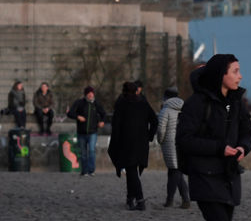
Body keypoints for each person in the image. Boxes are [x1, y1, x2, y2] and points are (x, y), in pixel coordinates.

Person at [175, 54, 251, 221]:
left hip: (229, 176)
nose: (240, 76)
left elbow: (247, 131)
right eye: (235, 71)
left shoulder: (236, 102)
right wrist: (219, 148)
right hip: (204, 176)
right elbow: (184, 140)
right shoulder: (196, 103)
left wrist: (243, 147)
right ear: (221, 74)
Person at [108, 82, 158, 210]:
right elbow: (154, 120)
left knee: (131, 171)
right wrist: (149, 136)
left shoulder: (121, 104)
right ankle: (130, 198)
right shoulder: (143, 103)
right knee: (132, 170)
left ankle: (140, 200)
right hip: (141, 143)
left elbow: (116, 126)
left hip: (127, 143)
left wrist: (115, 143)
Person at [157, 87, 190, 209]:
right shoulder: (185, 108)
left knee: (174, 171)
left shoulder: (165, 110)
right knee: (177, 171)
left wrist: (160, 140)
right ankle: (184, 199)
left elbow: (161, 129)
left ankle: (171, 200)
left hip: (170, 143)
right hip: (183, 142)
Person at [67, 86, 107, 176]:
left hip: (93, 132)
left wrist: (102, 121)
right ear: (85, 95)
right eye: (88, 93)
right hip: (81, 132)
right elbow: (70, 113)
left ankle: (91, 170)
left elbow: (104, 114)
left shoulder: (96, 104)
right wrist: (78, 117)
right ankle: (84, 171)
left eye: (92, 93)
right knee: (83, 152)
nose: (90, 95)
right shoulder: (79, 103)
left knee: (92, 151)